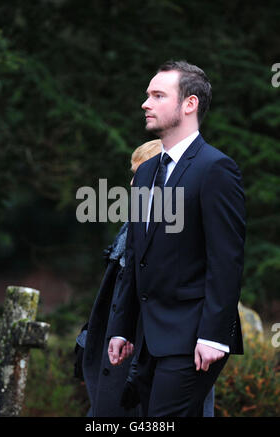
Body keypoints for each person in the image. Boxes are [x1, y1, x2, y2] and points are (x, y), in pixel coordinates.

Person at [108, 60, 245, 417]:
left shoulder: (216, 169)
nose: (145, 103)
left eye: (157, 95)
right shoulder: (148, 171)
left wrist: (214, 335)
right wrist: (121, 328)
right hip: (149, 340)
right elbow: (137, 254)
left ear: (190, 104)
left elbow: (225, 260)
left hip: (194, 337)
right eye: (147, 95)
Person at [74, 140, 161, 417]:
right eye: (133, 174)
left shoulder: (172, 228)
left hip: (143, 357)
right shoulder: (132, 225)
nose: (134, 182)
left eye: (141, 174)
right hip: (117, 353)